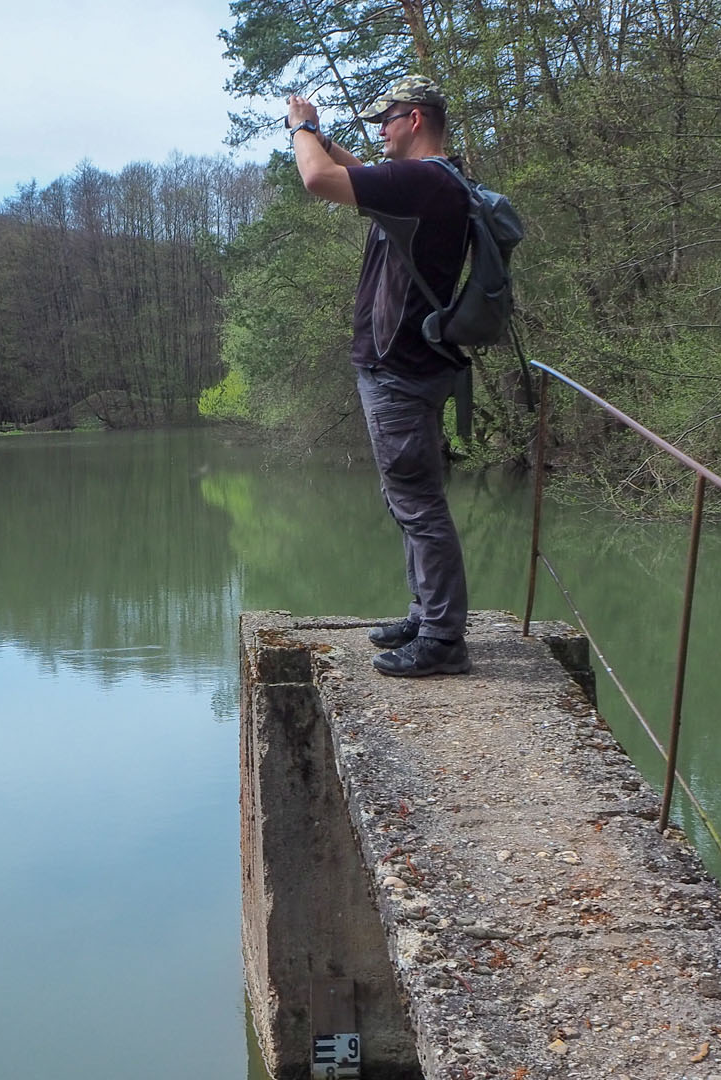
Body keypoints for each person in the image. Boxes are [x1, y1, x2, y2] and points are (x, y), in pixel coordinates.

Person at [285, 76, 471, 676]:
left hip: (399, 370)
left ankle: (442, 639)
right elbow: (358, 170)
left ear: (414, 119)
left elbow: (316, 178)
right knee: (408, 498)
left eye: (385, 119)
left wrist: (301, 129)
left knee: (417, 503)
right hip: (414, 365)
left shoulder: (422, 182)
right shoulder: (441, 181)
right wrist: (321, 135)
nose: (379, 131)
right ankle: (425, 613)